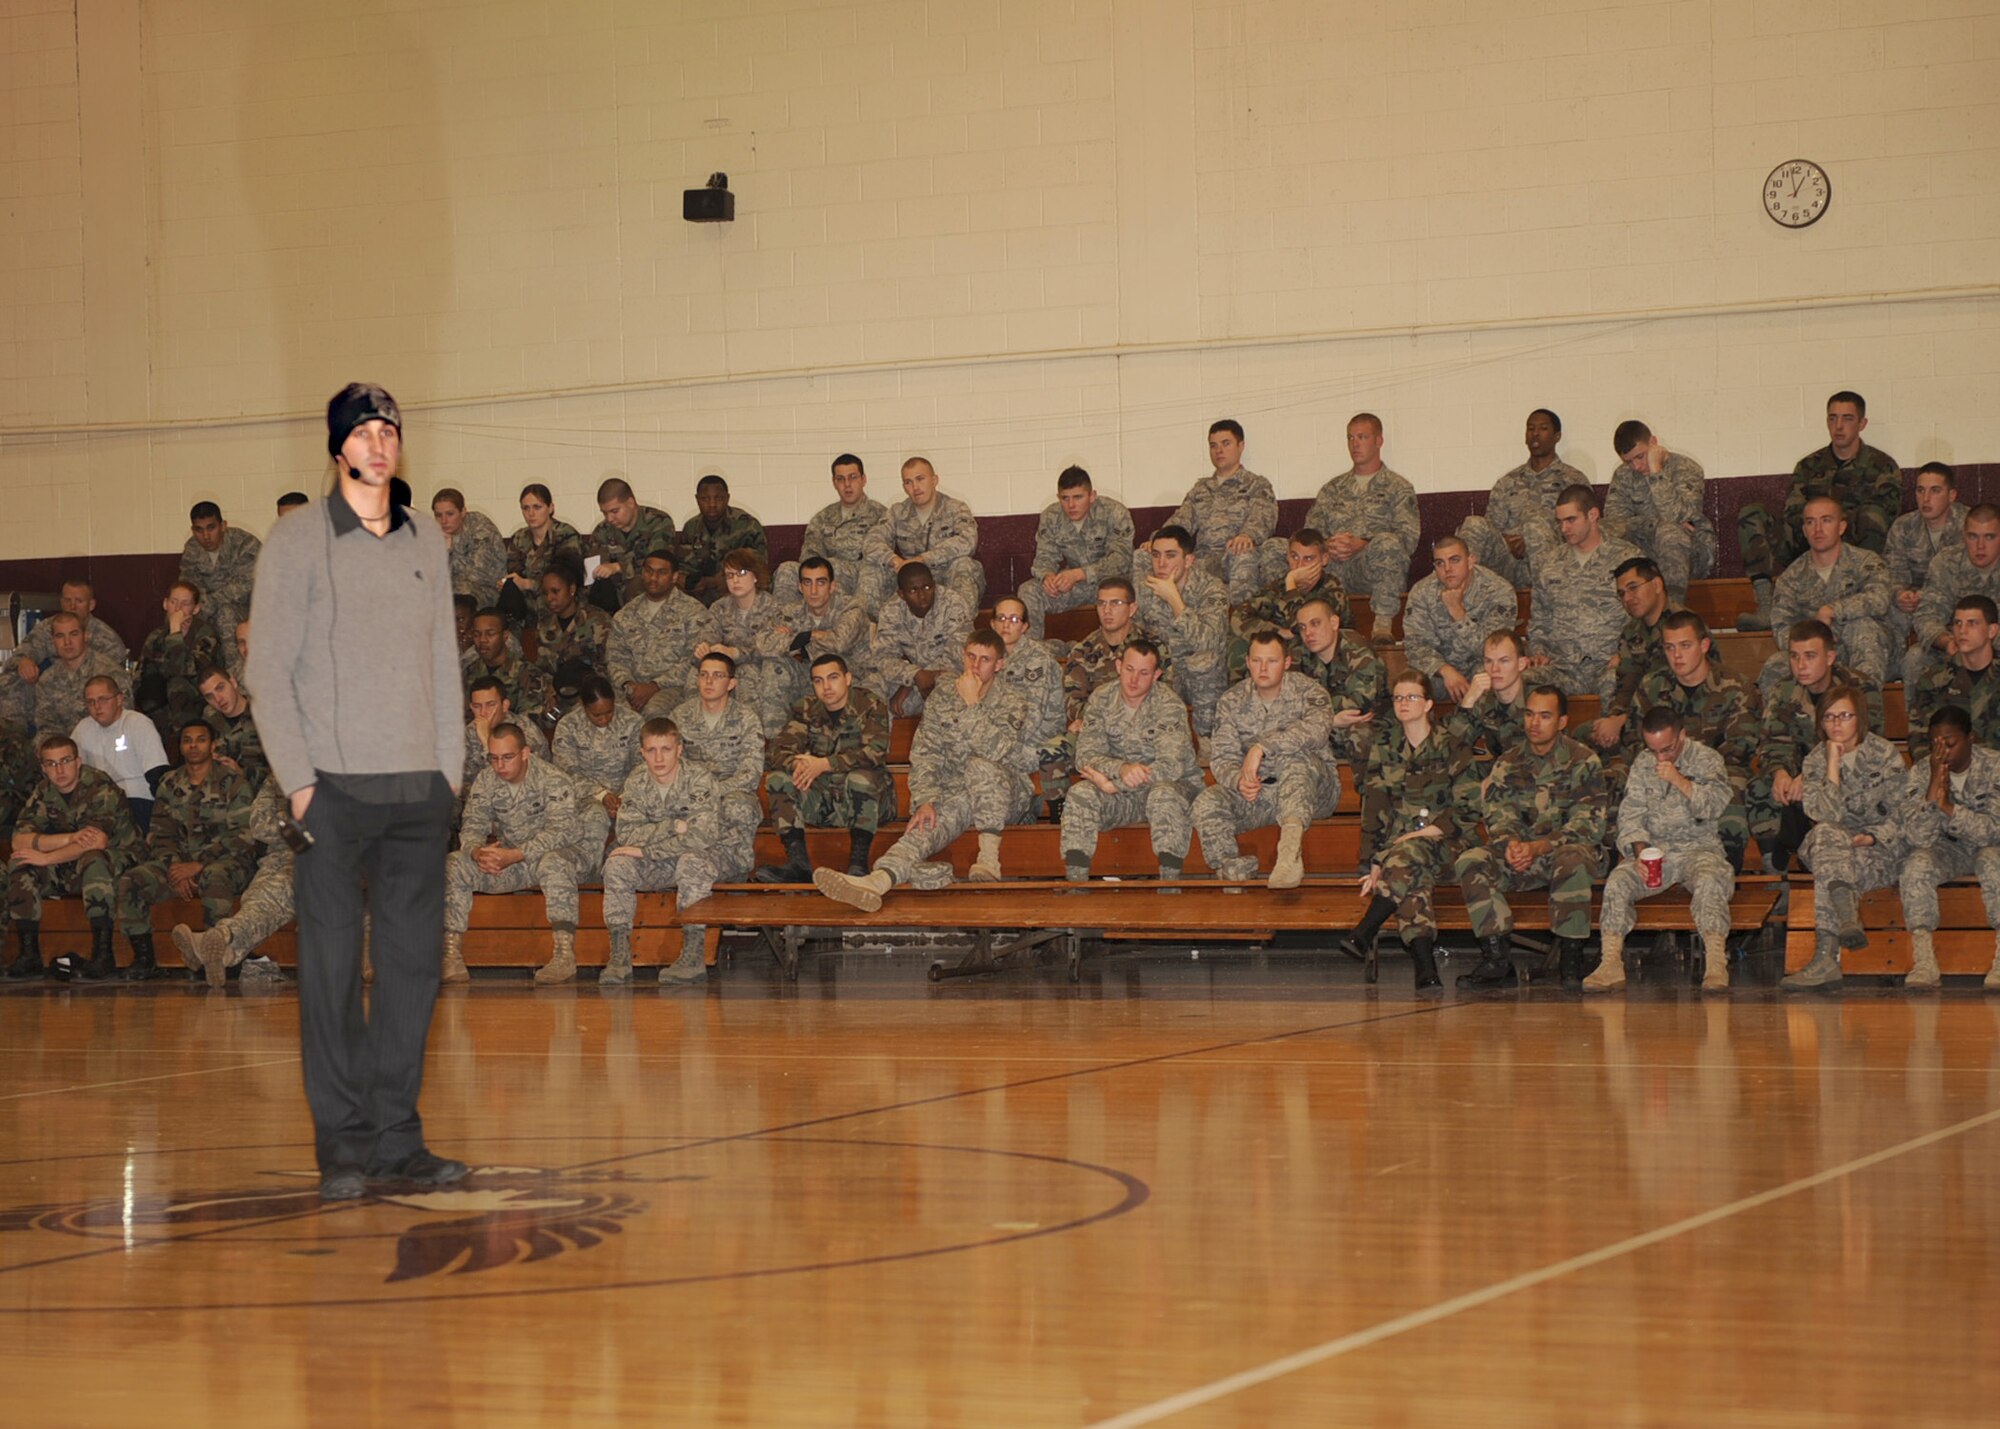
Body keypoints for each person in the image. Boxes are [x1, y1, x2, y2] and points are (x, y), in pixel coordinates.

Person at [246, 381, 467, 1201]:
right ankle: (342, 1145)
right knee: (332, 972)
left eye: (389, 430)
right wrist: (301, 784)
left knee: (413, 974)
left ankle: (398, 1140)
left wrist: (450, 774)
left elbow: (445, 665)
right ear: (338, 446)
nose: (378, 442)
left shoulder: (424, 541)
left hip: (418, 792)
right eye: (363, 430)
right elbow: (266, 670)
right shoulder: (297, 539)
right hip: (331, 795)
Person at [815, 630, 1034, 908]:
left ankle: (989, 859)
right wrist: (926, 800)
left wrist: (971, 704)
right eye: (970, 657)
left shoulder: (1014, 700)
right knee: (925, 823)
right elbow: (925, 754)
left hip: (1006, 795)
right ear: (962, 655)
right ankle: (879, 879)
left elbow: (996, 752)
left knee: (981, 767)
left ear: (999, 664)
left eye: (985, 660)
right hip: (958, 795)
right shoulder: (943, 695)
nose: (975, 666)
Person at [1453, 685, 1609, 991]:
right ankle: (1497, 958)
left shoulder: (1583, 761)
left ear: (1562, 722)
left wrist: (1539, 846)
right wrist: (1511, 846)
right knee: (1471, 860)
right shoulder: (1508, 762)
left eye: (1544, 716)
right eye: (1529, 714)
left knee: (1573, 858)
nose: (1534, 723)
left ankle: (1571, 959)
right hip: (1522, 857)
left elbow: (1588, 825)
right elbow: (1497, 815)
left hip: (1563, 853)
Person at [1585, 707, 1737, 993]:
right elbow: (1630, 815)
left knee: (1710, 880)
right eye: (1653, 750)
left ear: (1682, 735)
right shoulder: (1643, 764)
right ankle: (1610, 964)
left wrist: (1679, 780)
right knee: (1618, 881)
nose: (1660, 758)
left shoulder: (1707, 760)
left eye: (1666, 749)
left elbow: (1715, 806)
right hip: (1657, 852)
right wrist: (1640, 851)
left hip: (1699, 848)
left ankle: (1716, 963)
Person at [445, 723, 607, 986]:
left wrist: (517, 854)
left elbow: (562, 832)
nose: (499, 765)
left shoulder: (552, 779)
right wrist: (477, 851)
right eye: (494, 758)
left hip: (558, 856)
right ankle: (451, 955)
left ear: (525, 753)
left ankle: (564, 956)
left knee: (554, 863)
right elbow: (473, 823)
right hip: (513, 862)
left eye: (507, 757)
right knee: (454, 863)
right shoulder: (486, 780)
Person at [1337, 672, 1469, 992]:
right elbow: (1374, 809)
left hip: (1450, 844)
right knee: (1412, 875)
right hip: (1402, 852)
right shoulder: (1385, 748)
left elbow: (1469, 805)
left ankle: (1365, 930)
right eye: (1398, 698)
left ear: (1427, 704)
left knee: (1409, 855)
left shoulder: (1451, 745)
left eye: (1411, 697)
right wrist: (1373, 861)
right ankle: (1426, 971)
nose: (1403, 703)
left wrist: (1428, 832)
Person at [1739, 390, 1903, 631]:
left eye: (1847, 418)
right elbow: (1794, 512)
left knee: (1871, 516)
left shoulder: (1882, 466)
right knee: (1752, 514)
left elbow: (1887, 518)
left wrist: (1834, 523)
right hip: (1808, 545)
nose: (1838, 426)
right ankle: (1766, 606)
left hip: (1853, 554)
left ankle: (1856, 597)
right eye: (1832, 418)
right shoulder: (1808, 466)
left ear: (1862, 423)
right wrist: (1820, 523)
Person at [1781, 686, 1909, 992]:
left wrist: (1872, 837)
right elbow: (1826, 815)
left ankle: (1826, 959)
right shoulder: (1815, 761)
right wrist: (1832, 765)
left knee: (1831, 868)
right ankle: (1847, 917)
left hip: (1876, 852)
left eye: (1845, 716)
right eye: (1829, 717)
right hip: (1833, 845)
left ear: (1860, 718)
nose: (1836, 724)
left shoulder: (1884, 754)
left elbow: (1905, 816)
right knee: (1826, 833)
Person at [1191, 630, 1338, 889]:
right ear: (1247, 662)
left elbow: (1317, 731)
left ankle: (1289, 855)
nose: (1263, 668)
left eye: (1271, 661)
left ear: (1287, 663)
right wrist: (1239, 781)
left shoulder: (1309, 691)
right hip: (1259, 795)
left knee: (1294, 758)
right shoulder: (1231, 701)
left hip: (1312, 793)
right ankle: (1230, 867)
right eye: (1257, 661)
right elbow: (1222, 757)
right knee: (1207, 801)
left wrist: (1261, 747)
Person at [112, 720, 256, 982]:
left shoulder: (233, 782)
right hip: (178, 864)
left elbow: (243, 836)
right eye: (187, 740)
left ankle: (223, 957)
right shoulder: (169, 783)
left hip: (228, 862)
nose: (193, 745)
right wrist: (176, 869)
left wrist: (197, 864)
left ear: (213, 745)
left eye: (200, 739)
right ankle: (144, 959)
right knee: (131, 881)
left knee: (215, 876)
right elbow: (161, 833)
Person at [1267, 413, 1420, 645]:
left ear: (1379, 441)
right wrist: (1327, 545)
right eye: (1350, 438)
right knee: (1275, 547)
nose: (1355, 444)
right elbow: (1310, 534)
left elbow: (1408, 540)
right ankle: (1280, 620)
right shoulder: (1333, 488)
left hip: (1369, 571)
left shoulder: (1398, 487)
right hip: (1330, 569)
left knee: (1388, 544)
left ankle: (1382, 626)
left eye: (1362, 437)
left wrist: (1363, 544)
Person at [3, 734, 144, 982]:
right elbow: (19, 840)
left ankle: (103, 955)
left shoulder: (100, 786)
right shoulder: (43, 791)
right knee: (21, 861)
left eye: (65, 760)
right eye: (51, 764)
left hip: (120, 858)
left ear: (78, 761)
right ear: (43, 768)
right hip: (69, 861)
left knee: (94, 859)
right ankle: (30, 956)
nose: (60, 769)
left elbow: (96, 841)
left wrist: (47, 857)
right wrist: (69, 839)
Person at [1624, 611, 1760, 869]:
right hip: (1659, 766)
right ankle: (1636, 864)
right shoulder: (1652, 686)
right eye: (1669, 647)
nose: (1677, 656)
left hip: (1715, 771)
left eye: (1685, 646)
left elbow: (1739, 747)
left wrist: (1688, 772)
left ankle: (1729, 869)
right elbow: (1633, 739)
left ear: (1704, 645)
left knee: (1734, 786)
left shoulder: (1735, 687)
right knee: (1622, 779)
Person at [1747, 620, 1882, 877]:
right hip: (1797, 777)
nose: (1801, 665)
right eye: (1795, 657)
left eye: (1810, 656)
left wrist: (1812, 776)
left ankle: (1808, 858)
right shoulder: (1783, 691)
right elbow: (1772, 742)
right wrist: (1780, 773)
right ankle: (1776, 873)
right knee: (1761, 787)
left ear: (1830, 657)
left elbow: (1866, 745)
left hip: (1847, 776)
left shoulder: (1859, 689)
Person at [1061, 639, 1201, 884]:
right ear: (1118, 666)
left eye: (1144, 672)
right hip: (1125, 797)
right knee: (1080, 793)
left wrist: (1116, 785)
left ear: (1157, 675)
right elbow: (1086, 755)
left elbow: (1171, 766)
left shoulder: (1169, 705)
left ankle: (1170, 883)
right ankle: (1076, 882)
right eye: (1129, 669)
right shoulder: (1102, 698)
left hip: (1173, 790)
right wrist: (1121, 770)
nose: (1134, 679)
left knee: (1163, 795)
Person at [603, 719, 724, 987]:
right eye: (651, 750)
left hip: (703, 858)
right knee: (617, 865)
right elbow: (627, 833)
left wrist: (645, 849)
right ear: (642, 752)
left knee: (691, 861)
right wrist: (671, 826)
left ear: (679, 749)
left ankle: (693, 958)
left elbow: (701, 837)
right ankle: (619, 956)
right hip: (660, 862)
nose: (658, 758)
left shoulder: (700, 779)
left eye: (666, 749)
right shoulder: (636, 781)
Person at [757, 652, 896, 884]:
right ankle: (798, 863)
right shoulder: (806, 709)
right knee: (777, 778)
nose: (826, 687)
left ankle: (859, 864)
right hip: (824, 802)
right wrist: (801, 764)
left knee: (862, 777)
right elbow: (777, 751)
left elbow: (875, 752)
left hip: (870, 804)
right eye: (818, 681)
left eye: (833, 678)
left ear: (848, 678)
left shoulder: (870, 704)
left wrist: (824, 764)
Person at [1899, 706, 2000, 992]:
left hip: (1993, 847)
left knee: (1993, 859)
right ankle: (1924, 961)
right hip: (1949, 850)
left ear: (1971, 738)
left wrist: (1949, 809)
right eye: (1935, 744)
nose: (1942, 752)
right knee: (1916, 863)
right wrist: (1933, 785)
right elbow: (1918, 836)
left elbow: (1993, 828)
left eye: (1950, 743)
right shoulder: (1922, 771)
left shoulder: (1995, 766)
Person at [1756, 495, 1894, 697]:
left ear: (1841, 527)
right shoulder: (1791, 577)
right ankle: (1782, 726)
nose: (1818, 529)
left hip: (1859, 649)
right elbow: (1781, 627)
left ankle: (1864, 716)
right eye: (1811, 522)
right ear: (1804, 531)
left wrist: (1833, 610)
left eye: (1826, 520)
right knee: (1774, 665)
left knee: (1864, 629)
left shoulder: (1867, 562)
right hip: (1813, 656)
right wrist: (1815, 646)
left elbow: (1879, 599)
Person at [170, 778, 296, 990]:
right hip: (280, 859)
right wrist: (300, 820)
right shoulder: (277, 778)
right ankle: (222, 949)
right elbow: (258, 825)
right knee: (257, 901)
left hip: (331, 858)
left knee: (280, 893)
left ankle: (214, 942)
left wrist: (290, 819)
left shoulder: (341, 771)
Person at [1135, 419, 1276, 602]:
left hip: (1232, 556)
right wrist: (1158, 540)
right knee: (1143, 555)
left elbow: (1263, 519)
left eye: (1226, 444)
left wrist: (1247, 536)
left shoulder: (1256, 485)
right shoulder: (1201, 489)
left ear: (1241, 446)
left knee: (1243, 555)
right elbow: (1182, 520)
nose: (1219, 450)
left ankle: (1241, 619)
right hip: (1201, 559)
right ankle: (1149, 618)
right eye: (1213, 445)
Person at [1528, 485, 1641, 697]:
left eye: (1571, 520)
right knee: (1517, 683)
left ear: (1593, 515)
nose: (1564, 529)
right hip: (1563, 668)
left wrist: (1627, 655)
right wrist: (1538, 652)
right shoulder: (1550, 563)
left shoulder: (1627, 558)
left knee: (1617, 684)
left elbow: (1645, 615)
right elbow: (1540, 620)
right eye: (1560, 522)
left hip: (1608, 664)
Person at [1457, 409, 1585, 588]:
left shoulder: (1572, 479)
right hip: (1509, 561)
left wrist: (1530, 539)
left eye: (1543, 428)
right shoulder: (1508, 481)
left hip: (1553, 564)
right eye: (1530, 428)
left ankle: (1547, 602)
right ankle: (1465, 595)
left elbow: (1583, 529)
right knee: (1474, 524)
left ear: (1557, 436)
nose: (1535, 433)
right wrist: (1509, 542)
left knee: (1535, 528)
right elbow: (1492, 525)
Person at [671, 652, 766, 879]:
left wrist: (713, 792)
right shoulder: (680, 715)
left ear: (732, 683)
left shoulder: (746, 717)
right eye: (703, 675)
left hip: (731, 791)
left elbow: (750, 773)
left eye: (717, 675)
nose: (709, 681)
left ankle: (737, 875)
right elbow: (671, 764)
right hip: (690, 793)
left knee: (739, 806)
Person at [1601, 421, 1715, 605]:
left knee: (1670, 533)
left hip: (1690, 552)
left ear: (1653, 443)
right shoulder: (1623, 475)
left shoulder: (1686, 468)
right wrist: (1654, 524)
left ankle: (1672, 610)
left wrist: (1656, 472)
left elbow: (1678, 517)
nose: (1636, 466)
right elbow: (1615, 524)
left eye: (1640, 456)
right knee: (1601, 533)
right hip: (1644, 551)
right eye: (1628, 461)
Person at [1017, 465, 1134, 638]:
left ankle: (1129, 651)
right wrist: (1047, 576)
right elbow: (1044, 557)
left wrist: (1079, 574)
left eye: (1078, 497)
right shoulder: (1051, 516)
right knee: (1029, 591)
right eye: (1065, 498)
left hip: (1112, 585)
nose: (1071, 505)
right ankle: (1033, 655)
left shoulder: (1114, 512)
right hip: (1075, 586)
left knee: (1140, 585)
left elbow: (1120, 560)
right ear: (1058, 497)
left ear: (1092, 496)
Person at [1135, 524, 1230, 737]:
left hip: (1200, 677)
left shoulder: (1212, 589)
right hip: (1162, 672)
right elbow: (1137, 633)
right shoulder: (1146, 587)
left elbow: (1209, 642)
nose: (1161, 564)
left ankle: (1207, 740)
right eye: (1156, 555)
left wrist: (1175, 600)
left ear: (1188, 561)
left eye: (1170, 556)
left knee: (1205, 663)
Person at [1401, 535, 1519, 703]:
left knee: (1493, 678)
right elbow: (1415, 646)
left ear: (1471, 561)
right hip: (1440, 673)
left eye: (1454, 560)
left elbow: (1494, 648)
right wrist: (1445, 670)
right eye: (1440, 563)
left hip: (1482, 668)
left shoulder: (1498, 591)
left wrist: (1458, 613)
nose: (1447, 569)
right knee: (1409, 686)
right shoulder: (1421, 592)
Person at [860, 456, 983, 613]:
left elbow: (968, 541)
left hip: (945, 577)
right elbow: (871, 541)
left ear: (934, 480)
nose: (915, 487)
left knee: (965, 565)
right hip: (909, 581)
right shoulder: (897, 512)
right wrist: (894, 561)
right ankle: (877, 628)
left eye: (920, 479)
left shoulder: (956, 508)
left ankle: (959, 626)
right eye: (908, 482)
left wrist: (923, 559)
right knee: (871, 569)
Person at [2, 577, 127, 729]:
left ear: (91, 605)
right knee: (10, 679)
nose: (72, 606)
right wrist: (24, 661)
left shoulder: (108, 640)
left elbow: (114, 685)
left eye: (79, 601)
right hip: (55, 687)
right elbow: (22, 653)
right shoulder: (48, 627)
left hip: (91, 699)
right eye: (67, 600)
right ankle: (12, 737)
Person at [1228, 529, 1353, 678]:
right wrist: (1279, 632)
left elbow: (1302, 627)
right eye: (1294, 557)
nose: (1299, 565)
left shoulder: (1332, 588)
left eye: (1308, 559)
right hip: (1286, 648)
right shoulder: (1278, 586)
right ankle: (1244, 696)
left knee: (1298, 646)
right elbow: (1238, 617)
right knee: (1239, 643)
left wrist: (1291, 585)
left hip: (1325, 653)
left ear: (1324, 559)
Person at [760, 555, 871, 720]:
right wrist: (808, 636)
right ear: (799, 587)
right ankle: (779, 737)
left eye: (820, 582)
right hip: (808, 671)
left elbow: (839, 643)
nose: (813, 591)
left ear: (832, 586)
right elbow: (763, 644)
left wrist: (793, 642)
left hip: (849, 676)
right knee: (773, 666)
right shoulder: (790, 612)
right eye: (807, 582)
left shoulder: (852, 608)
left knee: (830, 666)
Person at [860, 561, 974, 717]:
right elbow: (882, 657)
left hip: (947, 675)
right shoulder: (891, 611)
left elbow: (958, 657)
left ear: (934, 585)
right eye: (913, 590)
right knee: (871, 689)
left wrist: (913, 683)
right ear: (901, 594)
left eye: (927, 588)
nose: (922, 596)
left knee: (943, 693)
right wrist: (913, 675)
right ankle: (876, 739)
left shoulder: (954, 604)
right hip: (911, 677)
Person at [696, 549, 790, 735]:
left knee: (747, 675)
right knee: (697, 677)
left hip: (761, 669)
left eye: (741, 573)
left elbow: (768, 648)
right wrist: (704, 646)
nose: (735, 580)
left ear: (755, 576)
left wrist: (735, 653)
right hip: (724, 668)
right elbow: (708, 634)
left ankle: (754, 735)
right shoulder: (720, 607)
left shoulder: (773, 608)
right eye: (730, 575)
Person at [606, 548, 707, 719]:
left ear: (675, 577)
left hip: (674, 687)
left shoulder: (694, 612)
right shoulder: (626, 613)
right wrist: (629, 685)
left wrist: (654, 686)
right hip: (630, 689)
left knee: (654, 712)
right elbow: (615, 657)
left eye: (662, 573)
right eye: (649, 571)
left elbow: (694, 660)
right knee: (609, 712)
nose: (653, 578)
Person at [775, 453, 887, 604]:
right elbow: (810, 555)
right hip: (825, 576)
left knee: (870, 573)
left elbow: (880, 556)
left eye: (853, 477)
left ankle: (863, 621)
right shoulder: (823, 517)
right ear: (834, 482)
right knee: (787, 569)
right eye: (840, 479)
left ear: (863, 479)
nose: (847, 484)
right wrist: (821, 575)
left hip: (861, 577)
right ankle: (785, 622)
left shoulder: (880, 514)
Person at [1289, 595, 1387, 766]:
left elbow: (1357, 704)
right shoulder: (1298, 654)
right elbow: (1287, 704)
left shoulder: (1358, 650)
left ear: (1334, 623)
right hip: (1325, 724)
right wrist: (1330, 720)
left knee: (1358, 734)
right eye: (1302, 627)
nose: (1308, 633)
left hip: (1369, 722)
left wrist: (1313, 715)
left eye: (1315, 623)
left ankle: (1368, 790)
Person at [1909, 505, 2000, 688]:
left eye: (1989, 537)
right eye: (1973, 536)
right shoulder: (1946, 562)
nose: (1980, 546)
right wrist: (1947, 641)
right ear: (1963, 535)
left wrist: (1980, 644)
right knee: (1915, 658)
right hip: (1956, 645)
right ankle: (1920, 716)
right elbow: (1926, 616)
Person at [1886, 462, 1967, 666]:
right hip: (1916, 606)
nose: (1926, 498)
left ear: (1952, 495)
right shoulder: (1903, 527)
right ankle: (1895, 668)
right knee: (1891, 610)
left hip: (1956, 603)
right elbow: (1892, 573)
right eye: (1920, 490)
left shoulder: (1969, 526)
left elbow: (1974, 578)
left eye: (1935, 491)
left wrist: (1928, 595)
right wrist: (1900, 594)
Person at [990, 596, 1070, 795]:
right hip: (1006, 737)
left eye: (1014, 620)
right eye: (1001, 618)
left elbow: (1032, 716)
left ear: (1025, 626)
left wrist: (998, 743)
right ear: (992, 624)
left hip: (1037, 739)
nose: (1006, 625)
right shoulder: (990, 656)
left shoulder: (1037, 658)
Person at [135, 580, 224, 750]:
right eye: (173, 602)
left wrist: (175, 632)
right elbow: (142, 672)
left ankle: (181, 745)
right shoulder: (156, 636)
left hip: (197, 695)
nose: (177, 609)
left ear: (195, 609)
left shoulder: (205, 634)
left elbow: (183, 671)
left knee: (177, 685)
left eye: (185, 604)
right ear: (165, 604)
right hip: (162, 701)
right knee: (149, 689)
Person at [71, 674, 168, 832]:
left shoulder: (137, 723)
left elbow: (157, 773)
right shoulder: (83, 728)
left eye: (103, 699)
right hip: (98, 803)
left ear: (119, 699)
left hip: (136, 799)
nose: (97, 707)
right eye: (91, 702)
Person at [1907, 595, 2000, 756]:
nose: (1962, 631)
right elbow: (1920, 740)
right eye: (1957, 623)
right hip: (1949, 772)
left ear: (1992, 630)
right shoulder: (1933, 679)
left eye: (1972, 623)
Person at [461, 676, 552, 822]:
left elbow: (522, 783)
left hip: (526, 806)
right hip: (483, 804)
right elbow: (464, 781)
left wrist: (486, 741)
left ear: (505, 705)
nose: (483, 713)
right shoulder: (469, 732)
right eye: (477, 706)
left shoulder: (524, 731)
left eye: (490, 705)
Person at [551, 673, 643, 815]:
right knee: (595, 817)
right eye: (597, 715)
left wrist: (625, 796)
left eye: (609, 712)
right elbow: (567, 772)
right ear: (584, 705)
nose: (604, 719)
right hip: (586, 797)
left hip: (629, 792)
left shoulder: (632, 721)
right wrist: (601, 795)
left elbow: (641, 764)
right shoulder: (568, 726)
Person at [1447, 629, 1534, 778]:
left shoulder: (1538, 699)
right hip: (1495, 778)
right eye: (1488, 661)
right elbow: (1452, 746)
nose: (1495, 669)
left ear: (1521, 664)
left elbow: (1550, 753)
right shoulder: (1480, 699)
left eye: (1504, 661)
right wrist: (1468, 701)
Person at [531, 554, 614, 706]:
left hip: (591, 696)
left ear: (572, 589)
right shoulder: (544, 625)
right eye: (545, 593)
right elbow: (542, 668)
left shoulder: (597, 620)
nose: (550, 598)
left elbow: (608, 666)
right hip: (556, 696)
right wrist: (549, 690)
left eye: (555, 591)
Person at [585, 474, 675, 610]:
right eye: (604, 513)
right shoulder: (602, 531)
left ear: (631, 503)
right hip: (615, 596)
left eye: (614, 511)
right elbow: (595, 569)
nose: (609, 518)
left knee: (639, 583)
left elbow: (657, 565)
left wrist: (618, 567)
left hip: (651, 591)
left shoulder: (658, 522)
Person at [180, 500, 263, 649]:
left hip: (249, 609)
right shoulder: (192, 549)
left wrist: (207, 605)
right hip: (207, 609)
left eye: (211, 528)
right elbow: (190, 585)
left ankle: (233, 669)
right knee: (179, 616)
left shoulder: (245, 543)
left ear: (223, 525)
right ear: (193, 530)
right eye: (199, 530)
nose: (206, 536)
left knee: (226, 614)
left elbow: (243, 587)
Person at [677, 472, 768, 604]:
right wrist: (688, 581)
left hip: (738, 590)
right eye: (705, 499)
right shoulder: (691, 527)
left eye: (718, 498)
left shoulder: (747, 525)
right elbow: (684, 566)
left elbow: (758, 568)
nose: (712, 504)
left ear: (727, 498)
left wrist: (714, 581)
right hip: (700, 594)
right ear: (697, 499)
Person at [33, 613, 128, 739]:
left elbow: (122, 721)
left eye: (74, 634)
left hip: (105, 748)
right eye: (60, 636)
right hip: (65, 752)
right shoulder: (47, 680)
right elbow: (47, 727)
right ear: (53, 641)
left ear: (86, 636)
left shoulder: (110, 673)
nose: (67, 642)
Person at [501, 482, 584, 623]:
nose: (531, 514)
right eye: (526, 508)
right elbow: (515, 572)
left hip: (560, 604)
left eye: (537, 507)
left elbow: (565, 579)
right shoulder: (519, 538)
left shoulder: (566, 534)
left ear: (550, 508)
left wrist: (528, 584)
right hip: (528, 607)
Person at [465, 608, 556, 727]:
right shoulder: (468, 672)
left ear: (505, 636)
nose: (482, 640)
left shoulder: (528, 674)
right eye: (477, 634)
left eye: (490, 634)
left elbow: (529, 723)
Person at [197, 665, 270, 794]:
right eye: (210, 697)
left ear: (233, 682)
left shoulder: (265, 714)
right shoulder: (208, 728)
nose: (218, 699)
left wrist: (240, 772)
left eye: (220, 688)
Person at [432, 488, 507, 602]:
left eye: (450, 514)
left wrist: (450, 548)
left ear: (463, 512)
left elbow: (476, 574)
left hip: (488, 590)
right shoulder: (434, 535)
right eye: (438, 515)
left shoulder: (480, 527)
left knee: (458, 594)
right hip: (454, 589)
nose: (444, 521)